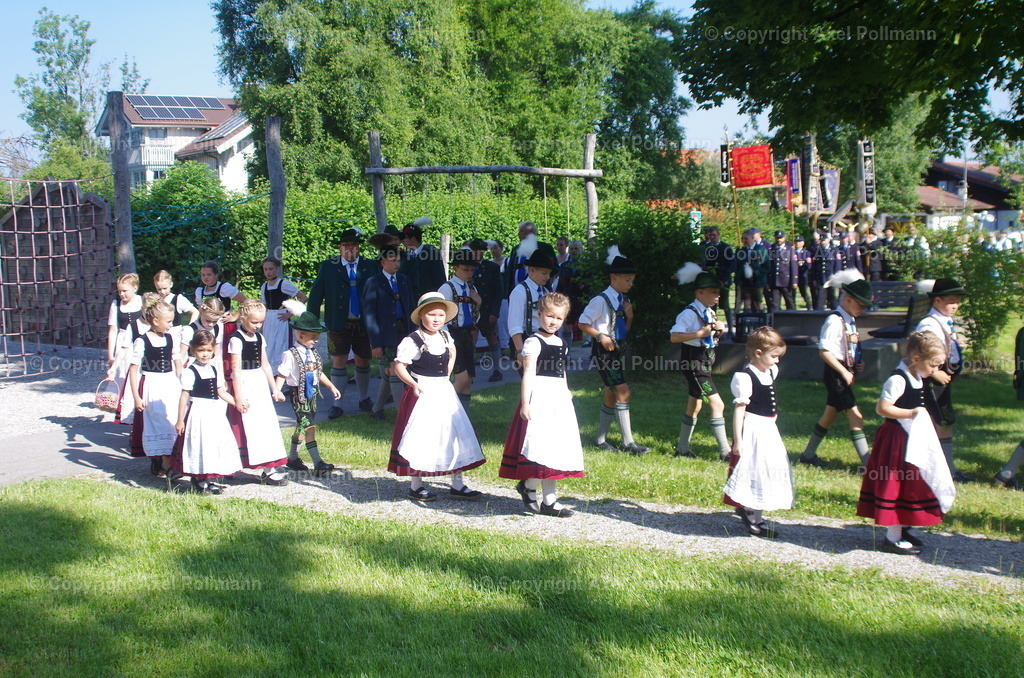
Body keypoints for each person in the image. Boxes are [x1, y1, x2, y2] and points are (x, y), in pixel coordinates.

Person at [856, 332, 956, 555]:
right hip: (896, 440)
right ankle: (892, 538)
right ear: (917, 358)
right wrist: (911, 413)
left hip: (913, 439)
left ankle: (906, 527)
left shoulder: (918, 375)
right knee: (897, 483)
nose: (935, 370)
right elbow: (882, 408)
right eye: (933, 365)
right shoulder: (898, 379)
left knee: (915, 482)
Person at [388, 292, 486, 502]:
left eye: (440, 315)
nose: (436, 319)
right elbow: (399, 366)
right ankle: (416, 485)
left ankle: (457, 484)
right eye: (431, 314)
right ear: (421, 315)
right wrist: (414, 384)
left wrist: (447, 374)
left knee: (454, 433)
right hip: (423, 391)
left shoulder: (445, 336)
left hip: (443, 390)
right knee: (422, 436)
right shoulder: (413, 340)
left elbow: (452, 352)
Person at [500, 292, 583, 517]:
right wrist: (525, 403)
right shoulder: (533, 342)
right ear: (539, 314)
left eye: (559, 318)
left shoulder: (561, 343)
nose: (553, 322)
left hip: (557, 398)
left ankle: (549, 500)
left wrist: (566, 392)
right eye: (550, 316)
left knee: (555, 447)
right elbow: (528, 374)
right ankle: (529, 486)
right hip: (540, 397)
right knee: (541, 446)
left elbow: (561, 371)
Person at [798, 270, 874, 468]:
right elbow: (824, 351)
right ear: (848, 300)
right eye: (862, 305)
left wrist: (857, 362)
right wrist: (843, 372)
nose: (864, 309)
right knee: (856, 417)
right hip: (836, 375)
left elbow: (849, 346)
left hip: (844, 371)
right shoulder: (834, 320)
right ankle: (869, 465)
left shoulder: (850, 319)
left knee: (830, 415)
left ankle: (807, 455)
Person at [578, 245, 648, 455]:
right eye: (627, 280)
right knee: (623, 391)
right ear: (614, 277)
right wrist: (600, 336)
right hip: (603, 353)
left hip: (616, 351)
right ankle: (628, 442)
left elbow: (623, 331)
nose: (630, 284)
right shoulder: (600, 300)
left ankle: (600, 440)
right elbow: (582, 323)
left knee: (610, 393)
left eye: (632, 280)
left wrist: (630, 316)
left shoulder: (623, 301)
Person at [724, 327, 792, 538]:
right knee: (755, 470)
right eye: (774, 356)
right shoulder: (744, 377)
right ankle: (753, 516)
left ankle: (755, 513)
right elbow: (740, 411)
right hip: (753, 430)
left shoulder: (770, 371)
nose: (777, 361)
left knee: (768, 469)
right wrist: (738, 440)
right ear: (758, 353)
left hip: (768, 430)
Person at [307, 227, 378, 419]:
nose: (350, 248)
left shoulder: (370, 266)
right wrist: (311, 324)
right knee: (339, 361)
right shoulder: (328, 266)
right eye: (346, 245)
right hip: (338, 323)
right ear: (340, 247)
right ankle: (337, 404)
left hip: (364, 323)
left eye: (353, 245)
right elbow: (316, 295)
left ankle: (364, 399)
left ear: (359, 247)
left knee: (363, 360)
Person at [915, 278, 973, 483]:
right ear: (937, 300)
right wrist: (934, 373)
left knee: (942, 422)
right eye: (951, 302)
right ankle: (945, 471)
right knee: (940, 423)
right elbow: (919, 355)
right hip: (931, 382)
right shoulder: (929, 324)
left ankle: (943, 469)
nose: (955, 306)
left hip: (942, 381)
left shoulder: (944, 322)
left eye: (957, 302)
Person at [670, 265, 731, 460]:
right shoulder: (689, 313)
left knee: (694, 405)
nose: (718, 296)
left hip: (704, 362)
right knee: (717, 404)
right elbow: (674, 336)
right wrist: (700, 333)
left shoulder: (709, 312)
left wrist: (718, 330)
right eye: (713, 292)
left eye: (718, 292)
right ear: (700, 292)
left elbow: (709, 335)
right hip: (694, 364)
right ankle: (725, 452)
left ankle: (682, 448)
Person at [227, 299, 289, 486]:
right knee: (247, 425)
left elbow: (266, 365)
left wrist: (275, 388)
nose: (258, 326)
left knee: (265, 424)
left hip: (259, 383)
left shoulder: (260, 338)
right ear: (243, 319)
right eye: (254, 322)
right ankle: (232, 464)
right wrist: (239, 396)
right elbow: (236, 370)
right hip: (244, 383)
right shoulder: (236, 340)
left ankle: (269, 468)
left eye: (261, 322)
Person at [171, 329, 240, 495]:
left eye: (208, 350)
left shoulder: (214, 369)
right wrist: (180, 420)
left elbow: (220, 391)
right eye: (201, 350)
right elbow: (184, 397)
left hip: (214, 412)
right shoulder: (190, 372)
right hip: (198, 412)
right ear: (193, 350)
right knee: (200, 444)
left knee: (213, 444)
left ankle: (210, 479)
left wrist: (237, 402)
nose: (205, 354)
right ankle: (199, 479)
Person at [275, 305, 341, 475]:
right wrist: (277, 390)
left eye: (317, 337)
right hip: (299, 395)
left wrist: (331, 386)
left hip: (311, 394)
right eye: (313, 337)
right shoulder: (290, 354)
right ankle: (318, 462)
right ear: (301, 335)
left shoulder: (313, 353)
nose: (316, 340)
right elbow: (282, 374)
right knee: (309, 427)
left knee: (301, 425)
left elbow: (318, 373)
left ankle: (292, 458)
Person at [128, 295, 183, 476]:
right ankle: (161, 461)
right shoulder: (142, 341)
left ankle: (170, 460)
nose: (170, 325)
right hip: (152, 384)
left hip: (169, 383)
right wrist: (136, 397)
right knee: (158, 421)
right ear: (155, 321)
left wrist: (182, 383)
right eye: (168, 321)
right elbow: (133, 370)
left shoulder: (170, 338)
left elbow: (177, 361)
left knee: (171, 419)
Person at [362, 244, 414, 421]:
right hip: (385, 334)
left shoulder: (404, 280)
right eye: (392, 260)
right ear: (382, 262)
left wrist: (414, 334)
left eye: (398, 260)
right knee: (394, 369)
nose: (396, 263)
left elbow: (410, 307)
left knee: (389, 371)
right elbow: (369, 315)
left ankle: (377, 409)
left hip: (404, 332)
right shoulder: (373, 282)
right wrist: (375, 343)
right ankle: (402, 416)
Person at [438, 247, 482, 412]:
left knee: (468, 381)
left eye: (471, 269)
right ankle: (444, 410)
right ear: (455, 268)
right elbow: (441, 317)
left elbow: (475, 317)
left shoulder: (472, 289)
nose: (469, 273)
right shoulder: (446, 288)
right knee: (462, 378)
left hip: (467, 336)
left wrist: (478, 303)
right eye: (465, 269)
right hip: (453, 335)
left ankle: (464, 419)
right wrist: (446, 341)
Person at [507, 234, 559, 359]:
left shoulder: (545, 291)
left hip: (546, 341)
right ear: (531, 270)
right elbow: (514, 325)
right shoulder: (520, 292)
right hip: (527, 343)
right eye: (544, 273)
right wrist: (520, 351)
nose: (547, 277)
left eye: (549, 274)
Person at [106, 273, 145, 426]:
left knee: (138, 374)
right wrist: (111, 354)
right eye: (119, 291)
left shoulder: (142, 302)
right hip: (123, 341)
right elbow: (113, 330)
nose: (122, 294)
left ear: (134, 288)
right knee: (123, 375)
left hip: (140, 339)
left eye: (125, 291)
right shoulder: (116, 304)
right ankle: (125, 411)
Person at [467, 238, 505, 383]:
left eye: (479, 250)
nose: (476, 253)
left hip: (487, 310)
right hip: (470, 309)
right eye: (474, 250)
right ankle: (469, 372)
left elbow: (498, 291)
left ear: (484, 251)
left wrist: (494, 312)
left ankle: (497, 370)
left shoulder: (492, 267)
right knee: (470, 338)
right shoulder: (466, 267)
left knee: (491, 337)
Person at [259, 257, 306, 374]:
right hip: (269, 317)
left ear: (277, 268)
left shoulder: (284, 284)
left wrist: (290, 313)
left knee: (281, 345)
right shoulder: (264, 286)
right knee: (268, 345)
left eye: (271, 269)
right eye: (265, 269)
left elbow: (303, 297)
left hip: (281, 318)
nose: (268, 272)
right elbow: (264, 305)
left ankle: (283, 374)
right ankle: (270, 374)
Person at [398, 216, 447, 301]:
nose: (402, 241)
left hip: (428, 300)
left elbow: (440, 280)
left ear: (413, 239)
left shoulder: (432, 255)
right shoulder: (405, 257)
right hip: (410, 300)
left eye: (404, 238)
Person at [700, 226, 735, 334]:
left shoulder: (726, 247)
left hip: (723, 281)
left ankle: (730, 330)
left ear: (718, 235)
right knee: (711, 306)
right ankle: (713, 329)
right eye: (710, 235)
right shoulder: (705, 247)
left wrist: (720, 272)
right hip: (710, 281)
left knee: (725, 305)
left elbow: (732, 266)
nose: (712, 237)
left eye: (714, 235)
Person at [177, 298, 225, 368]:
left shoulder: (216, 328)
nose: (211, 324)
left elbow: (217, 354)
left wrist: (219, 372)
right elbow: (182, 354)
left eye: (215, 321)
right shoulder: (190, 330)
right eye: (208, 320)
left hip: (209, 366)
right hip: (191, 366)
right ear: (201, 312)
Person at [556, 239, 586, 344]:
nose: (573, 251)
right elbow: (560, 285)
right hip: (568, 299)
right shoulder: (564, 265)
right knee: (567, 325)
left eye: (576, 249)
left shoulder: (586, 265)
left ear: (581, 250)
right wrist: (558, 297)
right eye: (572, 249)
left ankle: (590, 345)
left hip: (582, 299)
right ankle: (566, 350)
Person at [767, 230, 798, 312]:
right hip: (774, 280)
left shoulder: (790, 248)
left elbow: (793, 266)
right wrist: (768, 281)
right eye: (777, 238)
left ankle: (793, 317)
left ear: (784, 238)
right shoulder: (771, 249)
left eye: (780, 238)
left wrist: (794, 280)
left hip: (786, 280)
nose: (779, 240)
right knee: (774, 303)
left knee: (789, 301)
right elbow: (769, 266)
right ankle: (775, 318)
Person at [736, 229, 767, 312]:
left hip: (758, 281)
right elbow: (738, 266)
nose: (744, 241)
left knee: (758, 302)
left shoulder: (761, 249)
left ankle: (762, 318)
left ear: (753, 238)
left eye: (746, 238)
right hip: (745, 281)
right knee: (746, 302)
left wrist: (755, 274)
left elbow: (766, 266)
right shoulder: (741, 251)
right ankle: (747, 318)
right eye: (743, 238)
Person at [809, 231, 836, 310]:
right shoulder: (818, 250)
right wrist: (814, 278)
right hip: (821, 277)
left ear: (828, 240)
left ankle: (836, 311)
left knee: (832, 297)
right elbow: (815, 265)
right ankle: (819, 313)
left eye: (824, 240)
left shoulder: (834, 250)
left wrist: (835, 276)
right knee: (820, 298)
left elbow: (837, 265)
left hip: (830, 277)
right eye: (821, 240)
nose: (822, 242)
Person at [793, 234, 812, 309]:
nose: (797, 243)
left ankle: (809, 307)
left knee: (804, 293)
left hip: (802, 275)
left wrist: (801, 264)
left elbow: (808, 265)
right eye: (796, 242)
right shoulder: (792, 252)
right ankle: (792, 308)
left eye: (799, 241)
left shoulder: (806, 253)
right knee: (792, 294)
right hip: (794, 276)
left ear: (803, 243)